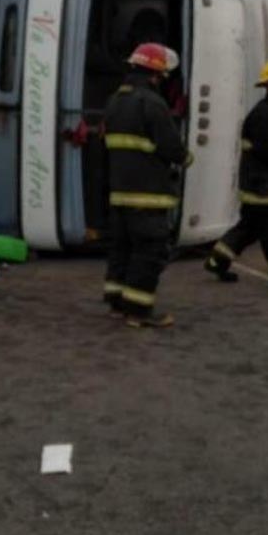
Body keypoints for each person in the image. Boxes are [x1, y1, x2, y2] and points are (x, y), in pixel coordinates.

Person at [204, 56, 268, 293]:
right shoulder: (264, 113)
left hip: (261, 180)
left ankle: (217, 261)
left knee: (249, 227)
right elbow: (267, 148)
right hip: (261, 183)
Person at [102, 42, 189, 328]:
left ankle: (117, 302)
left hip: (120, 193)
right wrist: (186, 157)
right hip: (149, 194)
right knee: (148, 252)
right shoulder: (152, 102)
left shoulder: (116, 100)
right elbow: (171, 147)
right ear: (157, 74)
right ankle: (138, 311)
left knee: (122, 249)